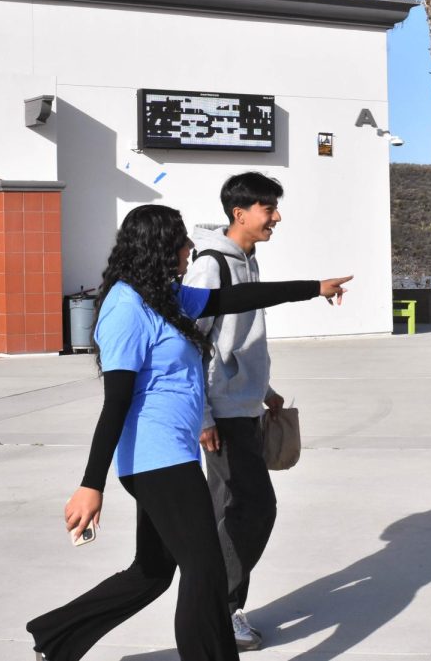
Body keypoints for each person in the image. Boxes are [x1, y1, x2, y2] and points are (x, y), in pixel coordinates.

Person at [26, 204, 350, 661]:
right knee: (206, 571)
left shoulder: (166, 298)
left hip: (171, 455)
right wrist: (89, 485)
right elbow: (115, 402)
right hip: (157, 459)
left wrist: (312, 289)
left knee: (153, 572)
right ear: (158, 247)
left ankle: (55, 636)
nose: (189, 248)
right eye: (181, 241)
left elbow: (235, 300)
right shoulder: (125, 307)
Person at [182, 172, 284, 650]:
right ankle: (218, 611)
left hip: (241, 404)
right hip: (220, 414)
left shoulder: (248, 260)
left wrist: (264, 388)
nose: (276, 217)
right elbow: (191, 342)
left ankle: (222, 607)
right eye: (268, 209)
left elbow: (235, 339)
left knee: (239, 510)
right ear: (239, 212)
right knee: (248, 508)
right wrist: (203, 415)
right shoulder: (210, 266)